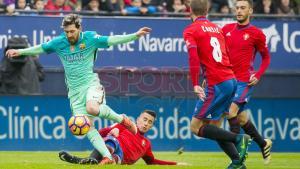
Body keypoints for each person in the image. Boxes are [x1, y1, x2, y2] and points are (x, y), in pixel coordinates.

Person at [6, 13, 152, 165]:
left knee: (92, 108)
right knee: (87, 128)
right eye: (67, 32)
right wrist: (21, 52)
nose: (69, 35)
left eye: (72, 31)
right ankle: (107, 156)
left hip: (91, 85)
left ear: (79, 28)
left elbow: (112, 39)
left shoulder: (90, 38)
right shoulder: (60, 42)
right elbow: (41, 48)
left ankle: (122, 119)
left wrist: (135, 36)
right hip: (74, 93)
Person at [183, 0, 252, 168]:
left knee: (195, 127)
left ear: (190, 10)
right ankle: (237, 162)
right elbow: (225, 53)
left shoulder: (191, 30)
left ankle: (239, 138)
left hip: (217, 83)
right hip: (230, 80)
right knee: (214, 127)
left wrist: (195, 83)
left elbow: (193, 58)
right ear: (207, 10)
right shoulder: (217, 29)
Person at [222, 0, 272, 165]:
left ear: (250, 10)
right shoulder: (226, 30)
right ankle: (263, 143)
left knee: (230, 112)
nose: (239, 11)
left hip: (244, 81)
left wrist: (258, 74)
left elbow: (266, 57)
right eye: (237, 8)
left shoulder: (257, 33)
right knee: (241, 118)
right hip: (228, 80)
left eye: (243, 8)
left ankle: (237, 158)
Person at [59, 110, 185, 165]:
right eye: (145, 120)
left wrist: (176, 163)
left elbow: (152, 162)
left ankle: (90, 161)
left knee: (112, 153)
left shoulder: (146, 144)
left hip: (120, 158)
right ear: (138, 119)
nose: (146, 124)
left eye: (150, 122)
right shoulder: (126, 125)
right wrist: (109, 129)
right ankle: (93, 160)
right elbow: (101, 133)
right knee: (110, 139)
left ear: (152, 126)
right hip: (111, 146)